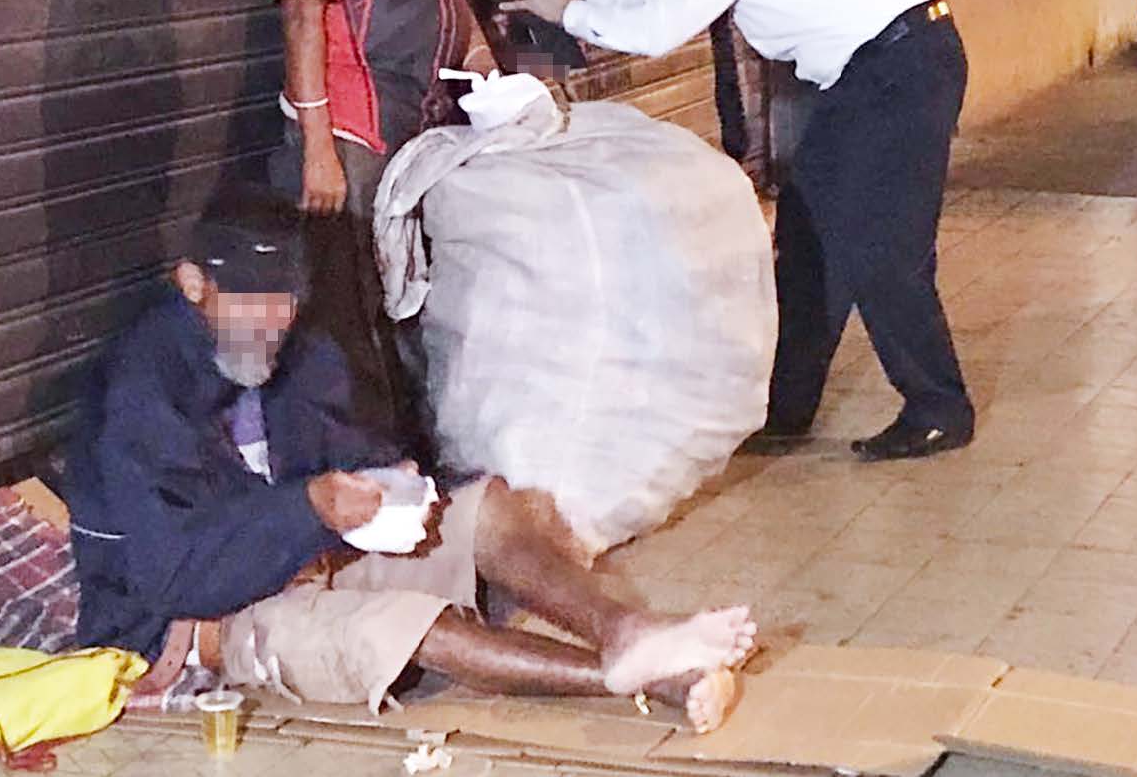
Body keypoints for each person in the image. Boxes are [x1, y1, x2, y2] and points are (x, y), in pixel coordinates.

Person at [65, 186, 756, 733]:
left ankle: (625, 630)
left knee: (488, 509)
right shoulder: (139, 390)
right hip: (197, 615)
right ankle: (636, 677)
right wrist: (308, 509)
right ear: (194, 284)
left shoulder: (294, 345)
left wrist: (386, 479)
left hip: (304, 549)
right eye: (254, 301)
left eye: (287, 300)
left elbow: (349, 445)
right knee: (398, 624)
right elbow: (170, 574)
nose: (274, 319)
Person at [499, 0, 973, 462]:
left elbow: (663, 25)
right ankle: (783, 409)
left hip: (900, 69)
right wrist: (575, 8)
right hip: (871, 75)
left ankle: (940, 408)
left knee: (883, 249)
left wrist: (568, 12)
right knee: (808, 241)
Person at [265, 0, 504, 451]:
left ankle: (423, 450)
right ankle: (368, 464)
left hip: (422, 128)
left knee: (418, 296)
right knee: (353, 307)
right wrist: (317, 147)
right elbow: (302, 16)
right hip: (351, 132)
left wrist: (485, 64)